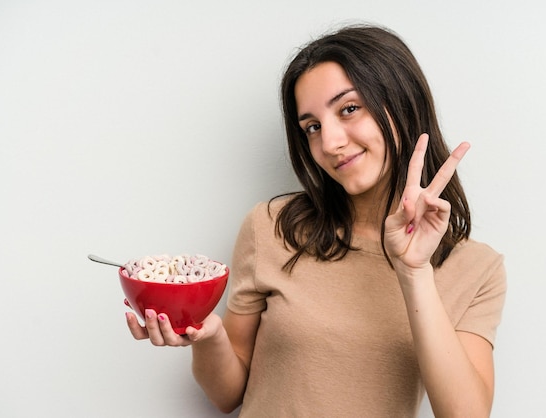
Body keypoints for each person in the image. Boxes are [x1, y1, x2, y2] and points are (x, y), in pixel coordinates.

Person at [126, 24, 506, 417]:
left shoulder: (477, 269)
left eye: (349, 109)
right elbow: (227, 396)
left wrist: (414, 272)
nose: (329, 143)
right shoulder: (272, 228)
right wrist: (209, 336)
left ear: (402, 102)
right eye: (312, 127)